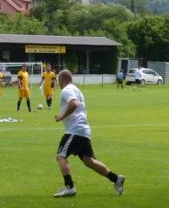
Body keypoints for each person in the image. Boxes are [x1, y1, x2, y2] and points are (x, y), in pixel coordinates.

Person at [53, 69, 125, 197]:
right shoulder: (77, 89)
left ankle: (69, 187)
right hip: (83, 129)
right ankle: (116, 179)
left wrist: (61, 116)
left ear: (61, 79)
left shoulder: (67, 90)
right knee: (89, 161)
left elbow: (73, 104)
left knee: (61, 156)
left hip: (75, 129)